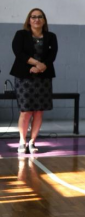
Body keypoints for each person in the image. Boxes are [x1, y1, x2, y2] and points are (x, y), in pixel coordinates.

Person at [11, 8, 58, 155]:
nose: (36, 19)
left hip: (43, 77)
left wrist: (41, 67)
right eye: (33, 17)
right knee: (26, 111)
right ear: (29, 20)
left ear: (44, 20)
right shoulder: (21, 34)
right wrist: (36, 64)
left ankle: (32, 142)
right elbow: (18, 53)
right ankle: (22, 141)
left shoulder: (51, 36)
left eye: (39, 17)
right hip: (24, 77)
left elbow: (52, 55)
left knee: (38, 111)